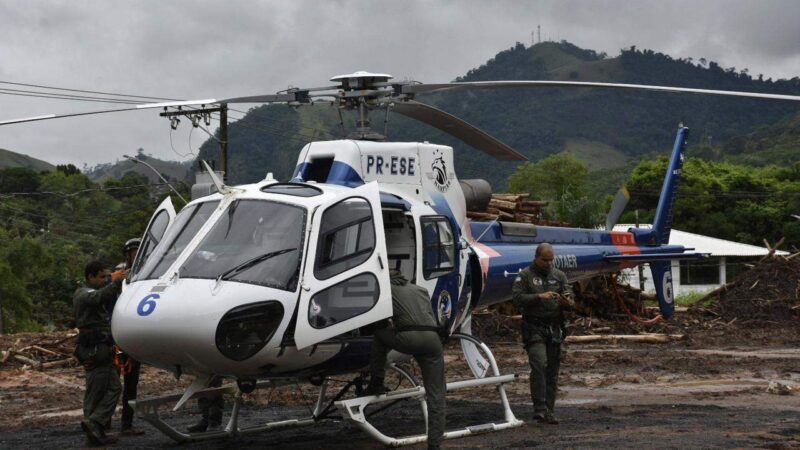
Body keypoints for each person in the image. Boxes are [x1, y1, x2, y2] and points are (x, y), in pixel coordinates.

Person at [366, 270, 446, 450]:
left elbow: (377, 320)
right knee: (437, 395)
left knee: (379, 337)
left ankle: (376, 381)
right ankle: (435, 444)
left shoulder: (386, 289)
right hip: (433, 340)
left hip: (410, 337)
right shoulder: (420, 290)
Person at [512, 243, 574, 425]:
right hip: (534, 328)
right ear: (536, 258)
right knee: (539, 364)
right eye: (545, 260)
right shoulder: (525, 276)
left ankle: (549, 411)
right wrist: (539, 297)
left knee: (553, 370)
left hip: (555, 329)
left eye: (551, 260)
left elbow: (571, 300)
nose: (548, 263)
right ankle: (539, 409)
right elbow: (517, 298)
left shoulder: (559, 276)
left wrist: (565, 301)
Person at [73, 260, 127, 446]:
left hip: (102, 347)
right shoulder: (83, 293)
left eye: (106, 276)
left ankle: (96, 427)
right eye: (101, 277)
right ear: (90, 277)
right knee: (96, 391)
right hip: (95, 349)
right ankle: (94, 425)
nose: (105, 280)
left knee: (113, 388)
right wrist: (115, 281)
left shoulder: (93, 291)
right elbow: (98, 297)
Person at [116, 238, 146, 436]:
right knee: (109, 384)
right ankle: (101, 421)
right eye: (133, 251)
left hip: (130, 334)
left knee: (130, 383)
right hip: (115, 331)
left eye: (138, 251)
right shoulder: (119, 274)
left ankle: (126, 423)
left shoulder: (147, 272)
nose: (136, 254)